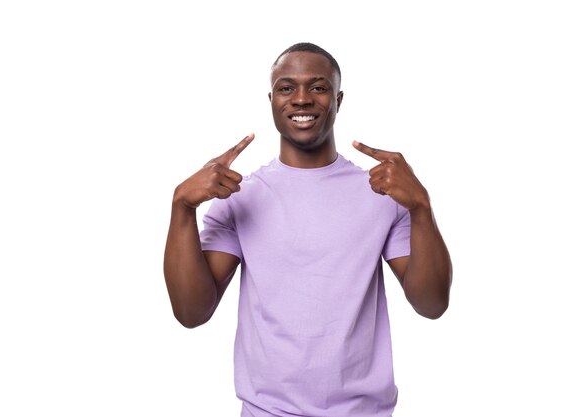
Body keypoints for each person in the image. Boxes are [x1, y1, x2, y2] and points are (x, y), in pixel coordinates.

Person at [164, 42, 452, 417]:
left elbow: (432, 304)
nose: (301, 99)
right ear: (271, 99)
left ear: (338, 99)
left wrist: (421, 208)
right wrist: (181, 208)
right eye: (287, 88)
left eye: (317, 87)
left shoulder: (381, 193)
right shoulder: (239, 196)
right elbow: (191, 313)